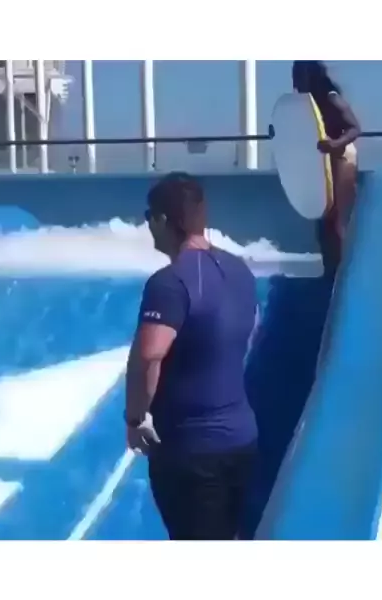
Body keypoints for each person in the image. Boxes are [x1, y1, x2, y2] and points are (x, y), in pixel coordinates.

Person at [125, 172, 259, 540]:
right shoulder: (240, 270)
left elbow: (149, 356)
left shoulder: (169, 282)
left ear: (161, 220)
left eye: (148, 216)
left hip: (191, 452)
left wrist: (135, 418)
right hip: (241, 439)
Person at [292, 60, 361, 273]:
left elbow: (354, 127)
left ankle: (343, 272)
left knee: (337, 219)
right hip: (324, 158)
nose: (295, 82)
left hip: (341, 156)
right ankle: (330, 269)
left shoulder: (330, 97)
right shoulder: (306, 103)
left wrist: (335, 144)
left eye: (298, 76)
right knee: (323, 219)